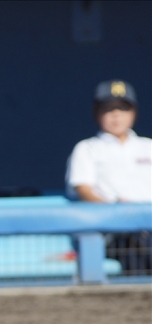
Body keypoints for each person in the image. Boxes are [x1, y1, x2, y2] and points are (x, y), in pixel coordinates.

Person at [65, 79, 152, 273]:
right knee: (134, 248)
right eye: (109, 108)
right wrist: (116, 210)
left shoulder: (148, 146)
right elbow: (83, 189)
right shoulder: (87, 148)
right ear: (96, 113)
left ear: (134, 112)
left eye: (123, 108)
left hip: (149, 225)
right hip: (113, 231)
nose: (116, 115)